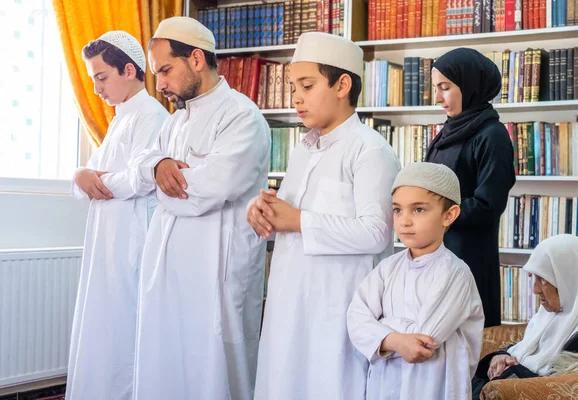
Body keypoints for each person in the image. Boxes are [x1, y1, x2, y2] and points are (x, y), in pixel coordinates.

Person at [247, 32, 401, 399]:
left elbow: (376, 232)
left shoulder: (370, 150)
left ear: (342, 84)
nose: (296, 97)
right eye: (292, 87)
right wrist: (262, 213)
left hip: (337, 308)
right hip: (290, 299)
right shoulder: (304, 149)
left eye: (307, 85)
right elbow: (287, 218)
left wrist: (297, 220)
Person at [130, 17, 270, 400]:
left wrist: (164, 186)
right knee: (166, 360)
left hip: (216, 270)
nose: (159, 84)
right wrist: (159, 168)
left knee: (218, 372)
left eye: (165, 70)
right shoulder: (174, 122)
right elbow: (141, 166)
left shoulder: (242, 116)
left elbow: (216, 186)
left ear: (195, 59)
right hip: (168, 268)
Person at [67, 31, 168, 400]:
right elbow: (92, 176)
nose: (96, 89)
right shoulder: (119, 118)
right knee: (102, 326)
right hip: (106, 240)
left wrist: (97, 180)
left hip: (131, 240)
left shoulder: (151, 116)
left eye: (101, 78)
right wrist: (81, 175)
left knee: (124, 330)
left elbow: (143, 179)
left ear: (129, 70)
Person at [347, 162, 485, 400]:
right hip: (384, 385)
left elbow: (425, 340)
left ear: (449, 215)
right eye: (398, 210)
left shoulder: (455, 273)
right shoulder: (387, 268)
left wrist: (381, 328)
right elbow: (355, 319)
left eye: (418, 209)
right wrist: (397, 340)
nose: (404, 221)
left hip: (434, 387)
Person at [425, 47, 516, 327]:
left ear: (470, 85)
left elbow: (488, 205)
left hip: (469, 256)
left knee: (466, 347)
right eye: (435, 88)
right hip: (436, 251)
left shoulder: (492, 135)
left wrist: (435, 214)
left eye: (445, 87)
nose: (438, 98)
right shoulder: (448, 130)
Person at [472, 234, 578, 399]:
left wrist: (509, 371)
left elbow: (555, 389)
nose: (535, 290)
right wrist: (500, 358)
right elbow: (522, 350)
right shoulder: (550, 315)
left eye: (543, 280)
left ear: (571, 280)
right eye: (535, 278)